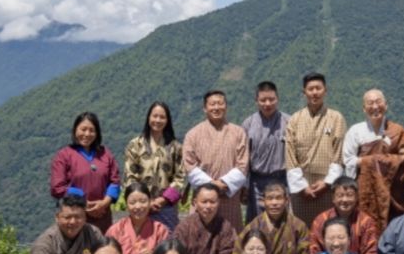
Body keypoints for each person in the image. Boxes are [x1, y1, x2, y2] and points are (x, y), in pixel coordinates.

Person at [342, 88, 404, 232]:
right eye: (370, 103)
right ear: (364, 108)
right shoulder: (355, 131)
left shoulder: (397, 131)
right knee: (366, 226)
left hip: (391, 191)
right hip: (365, 191)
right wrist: (372, 161)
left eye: (378, 102)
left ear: (385, 105)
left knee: (392, 226)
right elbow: (348, 160)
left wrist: (377, 161)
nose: (375, 106)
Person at [285, 72, 348, 226]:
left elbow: (339, 153)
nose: (314, 92)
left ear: (325, 90)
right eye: (310, 89)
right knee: (300, 230)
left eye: (318, 88)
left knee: (328, 227)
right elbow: (290, 155)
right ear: (304, 92)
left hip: (327, 189)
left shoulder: (335, 118)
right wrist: (302, 187)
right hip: (301, 189)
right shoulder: (294, 119)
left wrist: (327, 183)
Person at [232, 180, 310, 254]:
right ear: (263, 202)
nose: (274, 203)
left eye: (279, 198)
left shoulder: (298, 226)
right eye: (270, 198)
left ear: (287, 200)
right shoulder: (252, 227)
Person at [183, 90, 250, 230]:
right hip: (203, 198)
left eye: (220, 103)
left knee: (230, 237)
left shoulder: (238, 133)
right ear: (205, 108)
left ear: (226, 106)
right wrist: (211, 186)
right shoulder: (193, 134)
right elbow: (189, 166)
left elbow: (243, 164)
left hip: (228, 197)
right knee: (199, 237)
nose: (216, 107)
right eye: (212, 104)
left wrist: (224, 184)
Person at [50, 112, 121, 232]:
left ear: (97, 133)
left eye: (91, 130)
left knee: (101, 248)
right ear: (75, 130)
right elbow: (57, 187)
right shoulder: (64, 155)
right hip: (74, 218)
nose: (87, 134)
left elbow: (115, 182)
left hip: (102, 217)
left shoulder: (105, 154)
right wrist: (83, 200)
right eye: (83, 129)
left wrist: (104, 203)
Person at [123, 101, 187, 230]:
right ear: (148, 118)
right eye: (154, 116)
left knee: (167, 245)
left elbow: (181, 178)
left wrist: (163, 200)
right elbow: (129, 176)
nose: (158, 120)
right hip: (139, 207)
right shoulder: (135, 145)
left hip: (166, 207)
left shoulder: (175, 147)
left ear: (167, 120)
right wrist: (144, 201)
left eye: (162, 117)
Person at [307, 176, 379, 254]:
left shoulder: (366, 222)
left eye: (349, 195)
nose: (345, 200)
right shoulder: (320, 220)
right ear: (333, 198)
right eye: (340, 195)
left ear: (357, 197)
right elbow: (315, 253)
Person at [241, 81, 290, 222]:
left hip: (282, 180)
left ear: (278, 99)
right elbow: (243, 158)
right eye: (263, 100)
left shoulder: (289, 122)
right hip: (257, 182)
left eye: (271, 99)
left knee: (283, 222)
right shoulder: (248, 124)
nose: (267, 103)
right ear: (256, 100)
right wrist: (244, 185)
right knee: (257, 223)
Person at [106, 182, 170, 254]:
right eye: (132, 202)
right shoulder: (115, 230)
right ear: (126, 205)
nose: (138, 206)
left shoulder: (160, 231)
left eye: (143, 201)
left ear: (150, 202)